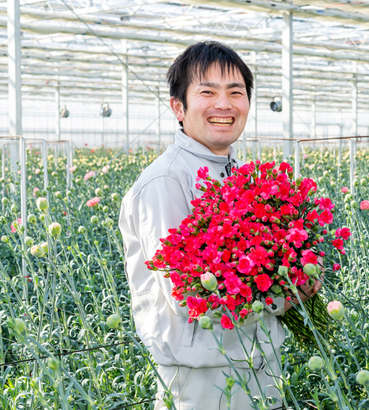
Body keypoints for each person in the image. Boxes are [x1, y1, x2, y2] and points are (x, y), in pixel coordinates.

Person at [118, 41, 321, 410]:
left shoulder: (241, 175)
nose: (224, 104)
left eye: (236, 92)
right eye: (207, 92)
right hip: (204, 378)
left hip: (259, 363)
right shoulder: (166, 181)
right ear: (178, 107)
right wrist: (288, 294)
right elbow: (187, 295)